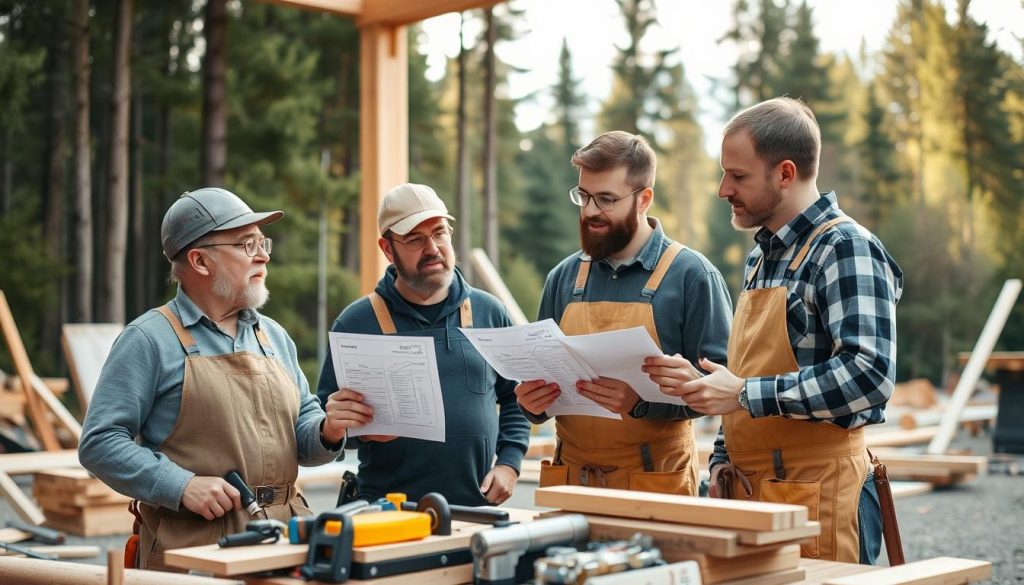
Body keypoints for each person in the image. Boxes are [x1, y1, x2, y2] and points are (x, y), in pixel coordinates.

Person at [643, 97, 904, 564]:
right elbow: (745, 371)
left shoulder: (846, 248)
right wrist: (721, 459)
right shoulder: (762, 257)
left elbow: (870, 377)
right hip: (749, 493)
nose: (723, 189)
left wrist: (743, 393)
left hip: (821, 496)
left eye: (738, 176)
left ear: (785, 173)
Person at [79, 188, 345, 571]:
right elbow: (99, 443)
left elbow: (304, 434)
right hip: (198, 553)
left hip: (286, 542)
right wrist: (180, 486)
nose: (264, 255)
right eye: (246, 244)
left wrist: (329, 430)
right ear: (200, 261)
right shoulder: (150, 339)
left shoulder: (272, 336)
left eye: (262, 242)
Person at [514, 131, 733, 495]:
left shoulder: (692, 276)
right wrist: (533, 405)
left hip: (656, 483)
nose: (589, 211)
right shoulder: (562, 278)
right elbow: (542, 382)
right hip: (571, 483)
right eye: (583, 196)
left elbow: (721, 394)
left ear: (644, 198)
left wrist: (641, 404)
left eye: (606, 199)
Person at [316, 183, 530, 507]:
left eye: (440, 233)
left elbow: (518, 398)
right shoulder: (356, 324)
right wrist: (348, 430)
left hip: (475, 509)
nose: (432, 248)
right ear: (387, 249)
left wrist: (509, 464)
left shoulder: (490, 313)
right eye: (415, 239)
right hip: (386, 514)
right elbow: (327, 427)